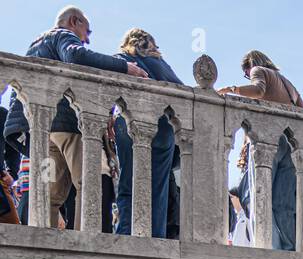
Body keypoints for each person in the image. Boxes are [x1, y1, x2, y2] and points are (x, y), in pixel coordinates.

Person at [17, 7, 147, 230]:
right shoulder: (62, 35)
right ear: (74, 21)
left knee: (51, 192)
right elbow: (76, 54)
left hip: (45, 129)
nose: (86, 40)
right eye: (87, 32)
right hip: (69, 125)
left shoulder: (35, 45)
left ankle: (44, 244)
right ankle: (83, 241)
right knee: (90, 183)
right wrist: (125, 67)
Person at [217, 51, 303, 251]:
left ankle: (268, 250)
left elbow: (258, 90)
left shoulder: (258, 70)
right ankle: (289, 251)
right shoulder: (288, 84)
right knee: (284, 205)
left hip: (268, 140)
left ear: (249, 66)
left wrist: (232, 89)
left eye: (246, 73)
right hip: (291, 143)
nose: (248, 75)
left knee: (260, 198)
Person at [112, 29, 182, 239]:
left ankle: (126, 234)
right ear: (152, 45)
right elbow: (182, 90)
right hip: (162, 127)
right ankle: (154, 237)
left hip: (126, 122)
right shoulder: (161, 65)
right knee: (157, 189)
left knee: (128, 181)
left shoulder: (123, 59)